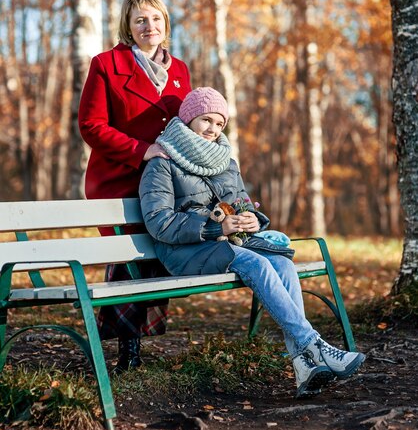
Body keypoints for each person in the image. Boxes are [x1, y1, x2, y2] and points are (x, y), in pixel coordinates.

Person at [139, 87, 366, 397]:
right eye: (206, 120)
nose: (212, 129)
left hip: (228, 245)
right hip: (184, 251)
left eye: (219, 124)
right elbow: (158, 222)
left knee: (283, 263)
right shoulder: (163, 161)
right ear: (188, 118)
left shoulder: (225, 161)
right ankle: (313, 345)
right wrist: (210, 228)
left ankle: (304, 366)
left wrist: (253, 220)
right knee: (255, 262)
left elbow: (243, 204)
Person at [78, 0, 192, 372]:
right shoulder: (106, 64)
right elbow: (91, 126)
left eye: (156, 18)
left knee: (156, 255)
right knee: (128, 260)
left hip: (163, 181)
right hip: (118, 177)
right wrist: (141, 150)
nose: (150, 26)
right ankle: (127, 353)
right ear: (128, 25)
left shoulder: (179, 70)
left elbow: (188, 126)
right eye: (141, 19)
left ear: (165, 24)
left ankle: (143, 340)